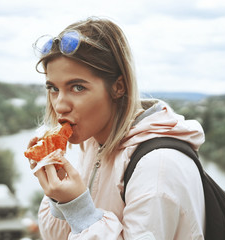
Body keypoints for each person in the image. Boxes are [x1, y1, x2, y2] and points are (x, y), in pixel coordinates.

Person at [28, 16, 205, 240]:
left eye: (78, 87)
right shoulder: (95, 145)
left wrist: (79, 210)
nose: (60, 105)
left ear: (118, 87)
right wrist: (59, 196)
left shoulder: (158, 166)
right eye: (53, 88)